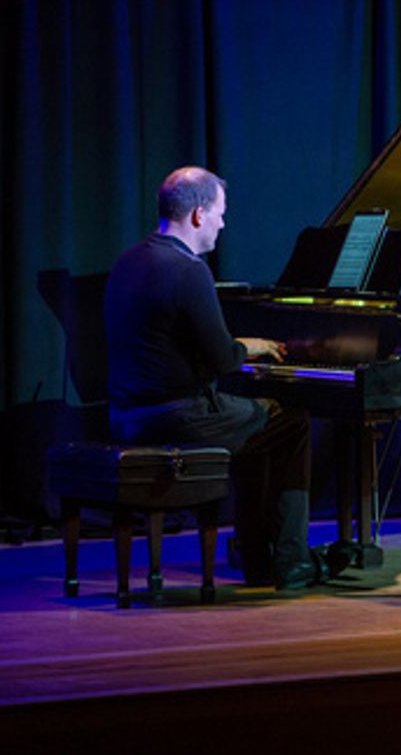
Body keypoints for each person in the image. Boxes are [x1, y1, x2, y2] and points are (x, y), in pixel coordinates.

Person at [104, 165, 319, 589]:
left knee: (256, 427)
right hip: (178, 416)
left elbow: (172, 340)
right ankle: (291, 560)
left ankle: (258, 557)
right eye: (220, 213)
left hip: (128, 414)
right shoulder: (189, 270)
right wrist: (251, 347)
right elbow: (222, 361)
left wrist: (236, 344)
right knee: (291, 421)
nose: (223, 223)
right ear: (199, 214)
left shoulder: (130, 259)